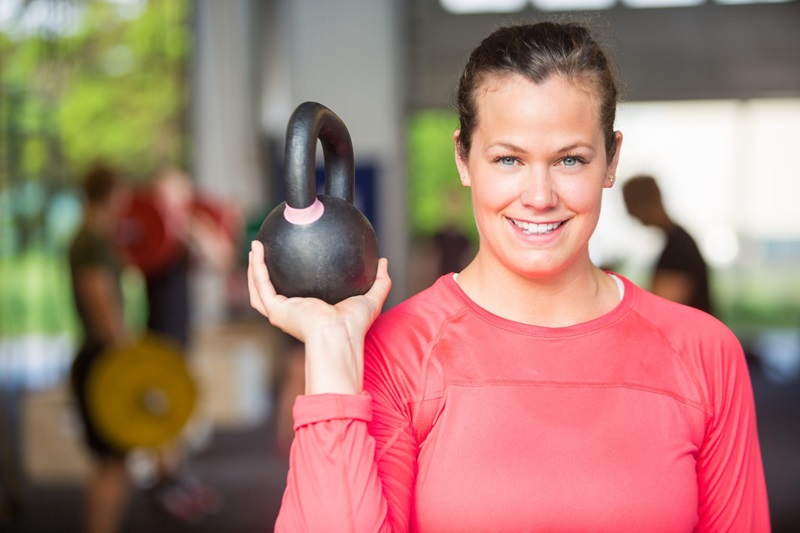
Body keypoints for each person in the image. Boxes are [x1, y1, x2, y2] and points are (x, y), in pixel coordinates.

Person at [248, 22, 770, 531]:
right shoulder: (397, 354)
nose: (539, 196)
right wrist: (331, 347)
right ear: (464, 159)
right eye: (507, 159)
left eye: (570, 159)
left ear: (611, 160)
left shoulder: (704, 354)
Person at [140, 166, 231, 523]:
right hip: (159, 334)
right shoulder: (154, 234)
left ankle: (173, 479)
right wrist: (181, 222)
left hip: (180, 334)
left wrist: (192, 222)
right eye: (174, 195)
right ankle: (164, 484)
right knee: (166, 413)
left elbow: (220, 256)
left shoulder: (181, 237)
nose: (181, 201)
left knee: (178, 414)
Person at [68, 163, 132, 533]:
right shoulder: (90, 241)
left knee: (112, 464)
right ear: (111, 194)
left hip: (102, 359)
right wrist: (126, 352)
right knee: (111, 463)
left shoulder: (96, 237)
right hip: (101, 362)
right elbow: (99, 300)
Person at [622, 174, 714, 315]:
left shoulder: (678, 247)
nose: (628, 213)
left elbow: (662, 308)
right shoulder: (677, 242)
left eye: (629, 203)